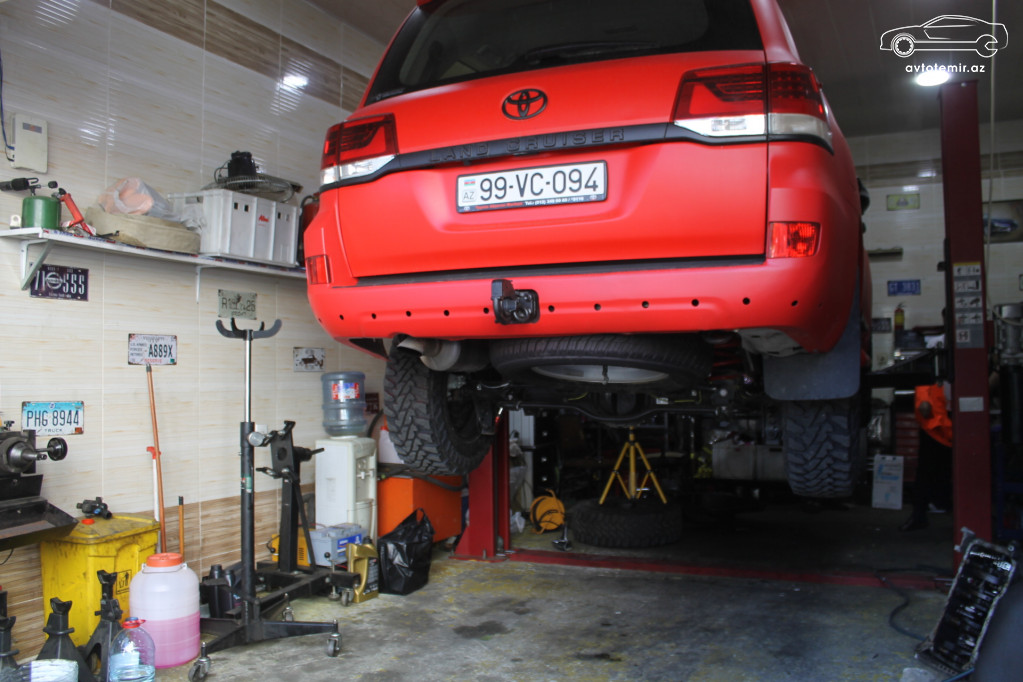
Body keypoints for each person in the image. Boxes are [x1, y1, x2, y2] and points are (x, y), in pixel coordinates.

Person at [900, 382, 953, 531]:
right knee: (932, 471)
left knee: (927, 472)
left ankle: (923, 512)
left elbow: (924, 406)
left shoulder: (930, 385)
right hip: (939, 426)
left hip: (938, 426)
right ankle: (930, 508)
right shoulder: (931, 384)